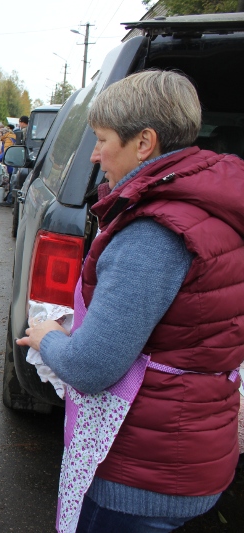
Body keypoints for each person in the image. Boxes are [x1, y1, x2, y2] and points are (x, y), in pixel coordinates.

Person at [17, 70, 244, 532]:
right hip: (190, 444)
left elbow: (92, 368)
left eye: (102, 140)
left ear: (144, 143)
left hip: (143, 470)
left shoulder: (153, 233)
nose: (96, 156)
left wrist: (47, 339)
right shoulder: (209, 204)